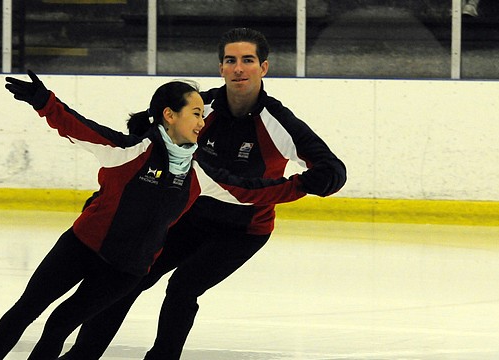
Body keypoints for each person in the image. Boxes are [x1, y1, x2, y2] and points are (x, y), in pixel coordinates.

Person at [0, 70, 311, 360]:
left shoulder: (199, 173)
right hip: (80, 248)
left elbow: (251, 191)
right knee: (26, 310)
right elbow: (78, 127)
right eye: (195, 114)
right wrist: (44, 102)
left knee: (58, 324)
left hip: (126, 270)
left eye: (202, 115)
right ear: (169, 114)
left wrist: (305, 184)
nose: (202, 122)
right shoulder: (130, 151)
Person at [60, 28, 347, 360]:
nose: (239, 68)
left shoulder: (277, 122)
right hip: (187, 219)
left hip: (241, 231)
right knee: (127, 278)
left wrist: (311, 183)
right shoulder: (199, 108)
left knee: (183, 287)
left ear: (263, 68)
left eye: (248, 60)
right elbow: (144, 144)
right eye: (231, 60)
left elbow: (333, 169)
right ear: (221, 68)